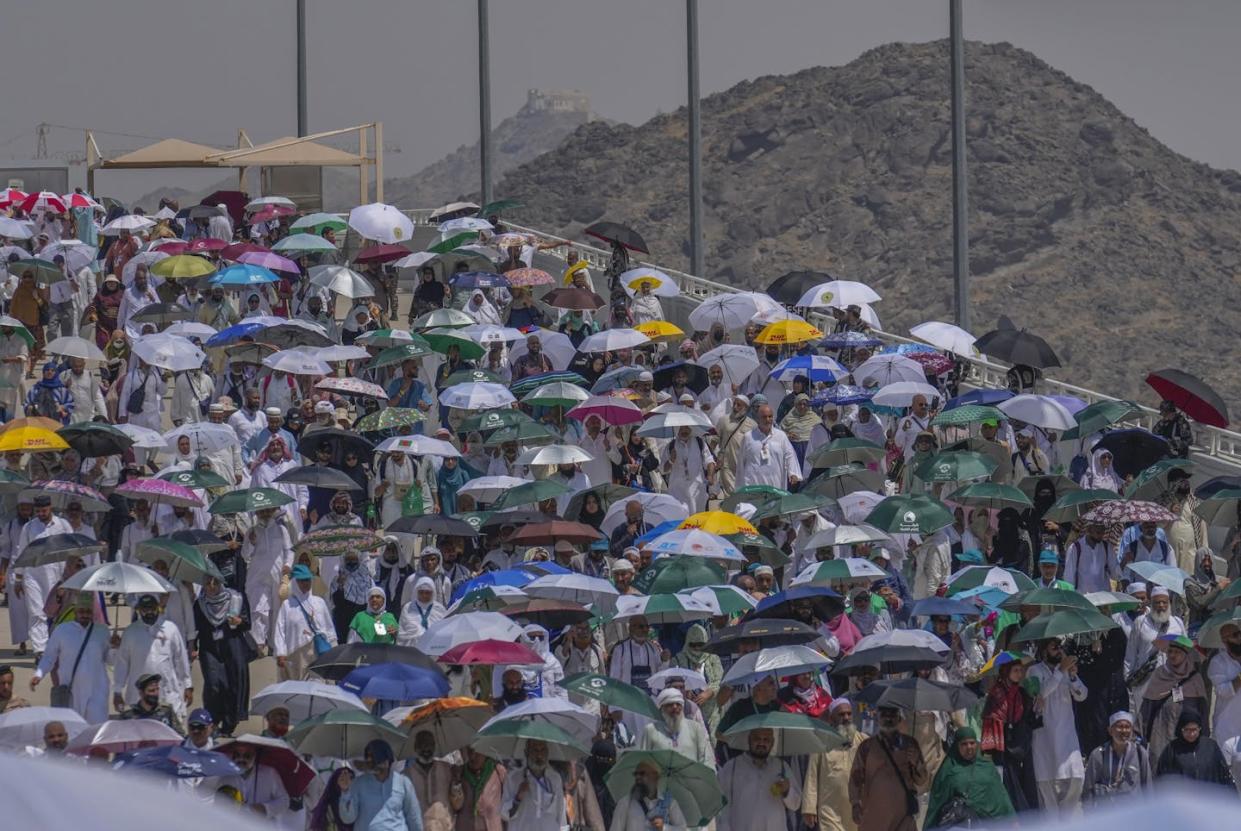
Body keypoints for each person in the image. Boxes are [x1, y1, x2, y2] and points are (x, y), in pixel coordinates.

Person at [111, 593, 193, 723]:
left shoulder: (171, 629)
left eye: (152, 608)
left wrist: (188, 685)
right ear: (138, 610)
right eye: (145, 609)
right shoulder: (130, 632)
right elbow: (122, 663)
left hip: (167, 694)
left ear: (158, 608)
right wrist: (117, 692)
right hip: (138, 698)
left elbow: (180, 659)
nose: (149, 612)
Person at [1028, 638, 1088, 817]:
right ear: (1044, 651)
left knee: (1076, 778)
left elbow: (1082, 695)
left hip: (1068, 737)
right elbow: (1040, 694)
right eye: (1055, 647)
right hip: (1045, 737)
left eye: (1060, 647)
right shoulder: (1034, 670)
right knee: (1048, 792)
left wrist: (1072, 676)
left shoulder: (1065, 672)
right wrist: (1061, 671)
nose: (1059, 651)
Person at [848, 706, 928, 831]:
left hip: (903, 816)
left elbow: (922, 780)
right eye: (884, 714)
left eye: (892, 714)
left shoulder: (910, 745)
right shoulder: (867, 747)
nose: (888, 718)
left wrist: (916, 762)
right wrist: (855, 804)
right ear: (877, 717)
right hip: (874, 816)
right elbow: (855, 778)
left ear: (899, 718)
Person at [192, 575, 252, 736]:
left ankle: (228, 724)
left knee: (232, 685)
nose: (211, 587)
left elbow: (247, 623)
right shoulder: (200, 603)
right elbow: (195, 628)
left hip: (232, 646)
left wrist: (238, 621)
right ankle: (212, 720)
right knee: (213, 684)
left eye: (215, 583)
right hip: (209, 648)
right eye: (207, 583)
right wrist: (192, 646)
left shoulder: (236, 599)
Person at [923, 726, 1014, 828]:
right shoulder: (949, 770)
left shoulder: (987, 766)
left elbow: (1001, 795)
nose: (969, 747)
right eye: (964, 744)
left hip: (993, 823)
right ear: (956, 746)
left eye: (972, 743)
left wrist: (1013, 819)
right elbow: (937, 803)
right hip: (963, 823)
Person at [718, 726, 802, 831]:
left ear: (773, 742)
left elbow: (795, 804)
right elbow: (722, 806)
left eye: (766, 739)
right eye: (757, 738)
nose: (761, 743)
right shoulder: (732, 767)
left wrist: (787, 791)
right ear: (749, 739)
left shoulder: (781, 767)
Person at [803, 698, 866, 831]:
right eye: (841, 714)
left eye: (849, 714)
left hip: (858, 807)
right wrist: (809, 807)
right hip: (830, 810)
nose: (846, 717)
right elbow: (812, 776)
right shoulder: (820, 743)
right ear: (831, 718)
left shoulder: (864, 741)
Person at [1139, 636, 1206, 760]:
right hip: (1161, 733)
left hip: (1189, 736)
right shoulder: (1159, 674)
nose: (1172, 655)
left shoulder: (1196, 679)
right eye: (1170, 651)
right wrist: (1139, 737)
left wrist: (1205, 740)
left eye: (1177, 652)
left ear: (1186, 655)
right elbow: (1147, 710)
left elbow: (1203, 712)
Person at [273, 564, 336, 681]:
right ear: (295, 582)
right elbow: (280, 630)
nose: (305, 583)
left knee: (317, 683)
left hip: (317, 650)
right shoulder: (287, 605)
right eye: (301, 581)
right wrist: (281, 652)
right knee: (294, 686)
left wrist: (332, 648)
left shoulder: (319, 602)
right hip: (294, 652)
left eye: (307, 580)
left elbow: (329, 627)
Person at [1082, 711, 1152, 803]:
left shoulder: (1140, 753)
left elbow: (1147, 787)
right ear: (1110, 731)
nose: (1124, 731)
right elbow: (1088, 790)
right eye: (1119, 727)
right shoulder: (1098, 754)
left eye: (1127, 727)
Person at [1154, 709, 1235, 787]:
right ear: (1180, 729)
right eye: (1187, 730)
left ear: (1200, 728)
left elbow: (1224, 776)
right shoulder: (1172, 750)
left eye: (1194, 730)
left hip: (1209, 798)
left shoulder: (1211, 747)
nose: (1191, 734)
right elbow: (1162, 779)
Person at [638, 687, 714, 768]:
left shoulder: (695, 728)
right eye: (670, 704)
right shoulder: (651, 730)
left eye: (678, 704)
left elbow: (706, 759)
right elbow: (644, 760)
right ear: (661, 708)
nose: (675, 707)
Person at [501, 739, 566, 831]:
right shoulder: (514, 778)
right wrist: (518, 798)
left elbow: (560, 815)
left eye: (543, 750)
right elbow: (505, 814)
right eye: (535, 750)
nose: (539, 755)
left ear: (547, 752)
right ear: (526, 752)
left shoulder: (555, 779)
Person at [608, 758, 688, 831]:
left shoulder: (669, 803)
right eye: (636, 774)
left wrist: (664, 827)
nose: (638, 777)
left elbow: (682, 829)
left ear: (655, 776)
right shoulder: (625, 803)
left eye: (642, 773)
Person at [736, 404, 802, 490]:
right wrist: (739, 487)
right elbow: (741, 462)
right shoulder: (748, 437)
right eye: (764, 417)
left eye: (770, 416)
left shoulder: (781, 436)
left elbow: (790, 455)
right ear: (758, 418)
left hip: (775, 485)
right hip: (753, 487)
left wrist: (793, 473)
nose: (768, 420)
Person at [406, 730, 459, 831]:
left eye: (429, 744)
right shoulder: (406, 775)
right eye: (422, 744)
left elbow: (458, 804)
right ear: (415, 748)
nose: (426, 748)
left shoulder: (447, 769)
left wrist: (457, 785)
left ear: (434, 746)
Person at [456, 747, 507, 831]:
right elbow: (455, 805)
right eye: (469, 752)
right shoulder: (459, 773)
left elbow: (507, 804)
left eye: (477, 752)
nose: (472, 756)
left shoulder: (498, 771)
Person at [118, 673, 185, 733]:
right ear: (141, 693)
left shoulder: (166, 710)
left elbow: (179, 734)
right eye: (151, 691)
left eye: (157, 689)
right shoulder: (128, 714)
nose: (156, 693)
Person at [398, 576, 447, 647]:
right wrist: (417, 633)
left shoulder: (439, 609)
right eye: (421, 592)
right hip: (412, 649)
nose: (424, 595)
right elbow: (402, 632)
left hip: (434, 648)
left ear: (433, 593)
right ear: (416, 592)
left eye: (427, 592)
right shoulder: (408, 607)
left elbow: (444, 631)